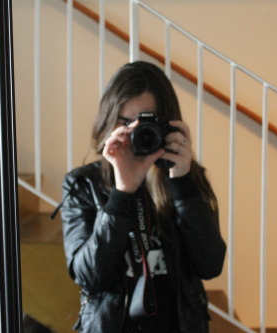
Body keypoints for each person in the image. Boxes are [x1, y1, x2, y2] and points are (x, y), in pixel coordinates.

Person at [60, 61, 226, 333]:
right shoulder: (83, 184)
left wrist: (183, 183)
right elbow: (89, 277)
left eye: (148, 122)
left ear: (169, 124)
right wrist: (122, 193)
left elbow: (210, 265)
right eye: (127, 123)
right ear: (109, 120)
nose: (138, 133)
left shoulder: (186, 178)